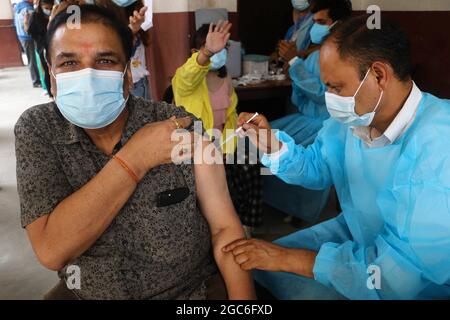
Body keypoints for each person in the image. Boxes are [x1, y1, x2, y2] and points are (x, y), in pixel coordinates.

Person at [15, 5, 255, 300]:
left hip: (189, 293)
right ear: (51, 75)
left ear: (128, 73)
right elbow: (52, 250)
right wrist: (135, 158)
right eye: (69, 64)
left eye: (105, 60)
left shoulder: (177, 123)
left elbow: (223, 228)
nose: (88, 76)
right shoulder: (38, 129)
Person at [224, 15, 450, 300]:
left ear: (379, 75)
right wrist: (271, 146)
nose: (329, 98)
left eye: (335, 87)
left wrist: (289, 258)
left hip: (416, 280)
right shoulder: (354, 121)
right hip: (357, 231)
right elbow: (316, 167)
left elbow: (399, 278)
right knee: (261, 269)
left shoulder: (438, 146)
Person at [264, 0, 352, 224]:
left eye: (321, 22)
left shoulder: (339, 56)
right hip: (308, 117)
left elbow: (320, 93)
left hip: (322, 121)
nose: (315, 28)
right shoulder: (316, 53)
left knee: (303, 159)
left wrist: (294, 61)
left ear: (337, 25)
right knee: (266, 145)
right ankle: (286, 207)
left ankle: (302, 211)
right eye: (313, 22)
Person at [172, 23, 263, 229]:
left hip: (225, 143)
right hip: (196, 147)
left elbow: (231, 115)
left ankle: (245, 226)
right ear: (195, 52)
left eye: (220, 50)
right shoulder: (185, 81)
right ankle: (215, 229)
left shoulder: (226, 79)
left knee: (250, 168)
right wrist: (207, 53)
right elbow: (188, 75)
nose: (216, 54)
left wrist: (240, 128)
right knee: (217, 185)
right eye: (210, 49)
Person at [28, 0, 54, 97]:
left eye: (50, 8)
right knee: (47, 69)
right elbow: (30, 31)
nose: (49, 10)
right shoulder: (35, 15)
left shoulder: (54, 14)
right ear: (41, 6)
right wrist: (41, 40)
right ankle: (50, 92)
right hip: (42, 46)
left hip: (53, 45)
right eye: (46, 8)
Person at [14, 0, 41, 88]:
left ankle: (35, 80)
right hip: (29, 37)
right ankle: (36, 81)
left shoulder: (18, 7)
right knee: (34, 60)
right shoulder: (28, 9)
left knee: (31, 59)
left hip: (21, 36)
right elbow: (27, 24)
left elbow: (16, 23)